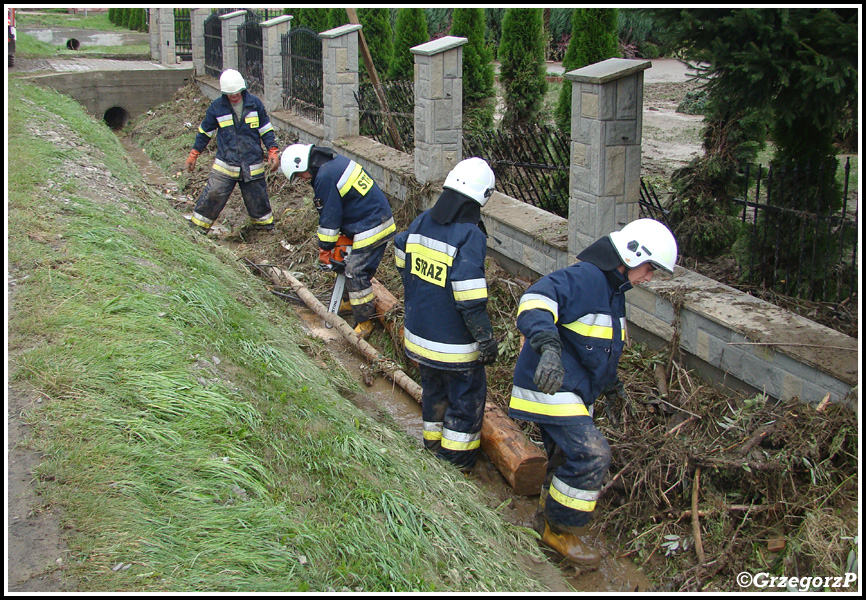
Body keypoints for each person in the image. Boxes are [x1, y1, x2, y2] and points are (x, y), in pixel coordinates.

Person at [508, 218, 678, 568]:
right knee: (593, 454)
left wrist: (612, 388)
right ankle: (559, 530)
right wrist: (548, 349)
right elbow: (536, 298)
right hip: (551, 386)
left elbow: (597, 348)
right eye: (650, 268)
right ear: (633, 255)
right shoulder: (587, 278)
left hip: (567, 388)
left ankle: (545, 518)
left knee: (564, 457)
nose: (649, 278)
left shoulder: (613, 292)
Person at [393, 157, 499, 471]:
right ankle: (455, 465)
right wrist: (485, 339)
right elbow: (469, 299)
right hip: (454, 348)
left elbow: (401, 253)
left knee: (434, 392)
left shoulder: (424, 220)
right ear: (482, 197)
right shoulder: (470, 236)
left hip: (419, 338)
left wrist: (420, 289)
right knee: (465, 403)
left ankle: (431, 449)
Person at [280, 143, 397, 339]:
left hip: (373, 223)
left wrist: (325, 248)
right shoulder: (329, 165)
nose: (301, 179)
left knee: (355, 271)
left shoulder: (325, 176)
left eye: (299, 175)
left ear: (302, 165)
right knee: (342, 261)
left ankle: (365, 321)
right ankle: (350, 301)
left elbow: (330, 216)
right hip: (362, 219)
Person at [185, 69, 280, 233]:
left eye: (237, 92)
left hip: (252, 164)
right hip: (226, 164)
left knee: (258, 201)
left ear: (242, 89)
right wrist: (194, 154)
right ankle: (196, 231)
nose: (234, 96)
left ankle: (264, 233)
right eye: (230, 94)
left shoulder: (255, 104)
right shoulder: (217, 108)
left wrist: (272, 150)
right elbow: (205, 133)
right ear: (224, 93)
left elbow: (265, 129)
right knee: (213, 195)